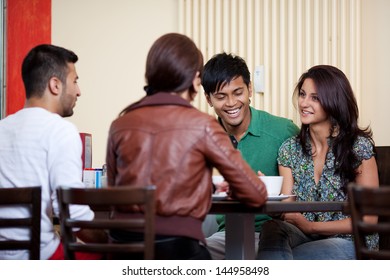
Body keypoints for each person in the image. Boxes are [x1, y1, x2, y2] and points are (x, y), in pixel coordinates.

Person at [105, 33, 267, 260]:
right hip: (176, 250)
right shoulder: (202, 125)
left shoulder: (120, 124)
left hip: (121, 250)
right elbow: (256, 194)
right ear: (195, 79)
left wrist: (204, 188)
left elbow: (115, 194)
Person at [257, 65, 379, 260]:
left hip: (350, 241)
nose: (304, 103)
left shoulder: (358, 148)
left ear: (334, 101)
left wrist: (311, 226)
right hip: (306, 237)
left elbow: (368, 218)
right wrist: (269, 197)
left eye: (315, 98)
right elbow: (287, 210)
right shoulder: (289, 150)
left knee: (286, 257)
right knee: (273, 228)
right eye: (303, 94)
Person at [0, 44, 107, 260]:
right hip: (40, 258)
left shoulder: (2, 127)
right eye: (75, 80)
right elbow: (72, 214)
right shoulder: (61, 131)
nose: (79, 91)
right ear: (55, 85)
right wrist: (108, 240)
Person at [201, 52, 299, 259]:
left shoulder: (283, 131)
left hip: (272, 234)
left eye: (238, 92)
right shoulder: (204, 138)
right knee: (188, 257)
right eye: (220, 96)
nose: (231, 103)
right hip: (226, 234)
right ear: (208, 99)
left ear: (250, 89)